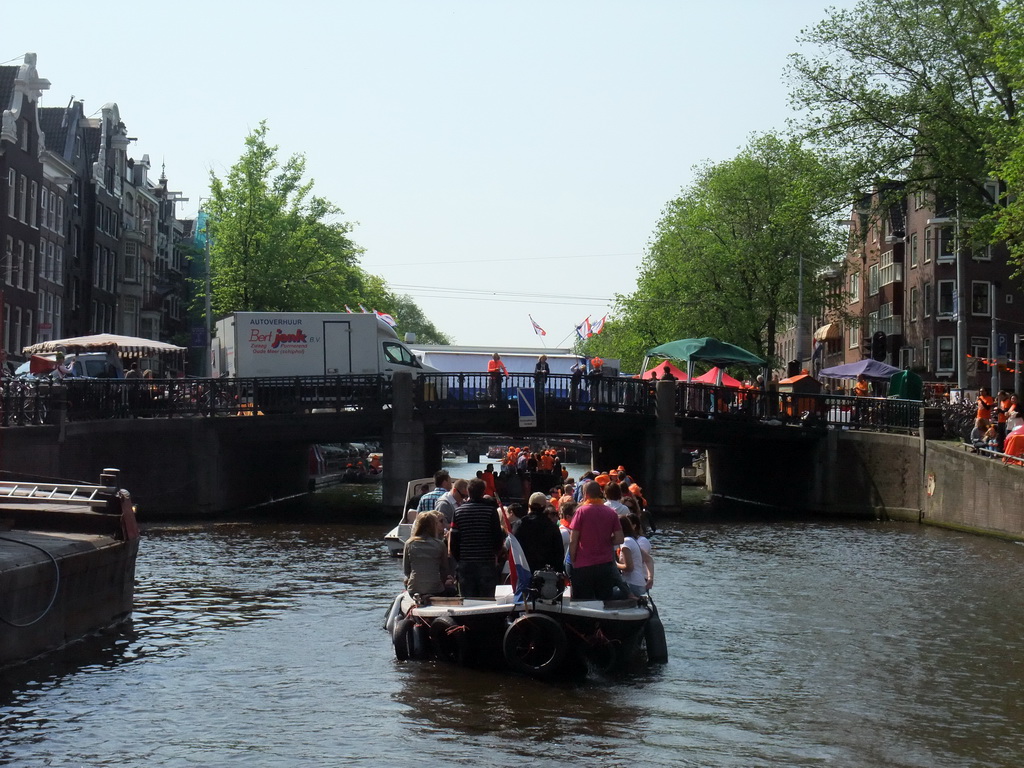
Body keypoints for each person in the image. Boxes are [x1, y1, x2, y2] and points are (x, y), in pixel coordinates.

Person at [568, 480, 625, 600]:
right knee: (604, 601)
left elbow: (573, 540)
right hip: (605, 565)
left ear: (585, 494)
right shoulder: (611, 513)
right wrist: (606, 541)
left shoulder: (581, 511)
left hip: (583, 565)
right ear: (600, 493)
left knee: (583, 603)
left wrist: (573, 560)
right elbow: (619, 538)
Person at [449, 478, 506, 598]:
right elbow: (497, 538)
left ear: (468, 492)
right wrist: (494, 554)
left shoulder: (458, 512)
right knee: (487, 600)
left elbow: (454, 541)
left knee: (468, 600)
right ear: (483, 492)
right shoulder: (491, 512)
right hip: (487, 563)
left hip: (465, 564)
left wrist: (460, 559)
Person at [403, 511, 456, 597]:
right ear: (433, 526)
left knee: (406, 580)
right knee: (451, 590)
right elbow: (444, 570)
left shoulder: (409, 543)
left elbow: (406, 570)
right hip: (436, 590)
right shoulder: (440, 544)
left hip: (414, 590)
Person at [515, 492, 566, 575]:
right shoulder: (551, 526)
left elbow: (514, 548)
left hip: (525, 571)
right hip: (547, 574)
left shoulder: (520, 524)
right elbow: (559, 552)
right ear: (544, 507)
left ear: (529, 505)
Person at [616, 515, 647, 597]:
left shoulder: (625, 542)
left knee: (605, 594)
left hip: (633, 585)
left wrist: (614, 564)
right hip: (639, 584)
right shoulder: (632, 539)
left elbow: (629, 567)